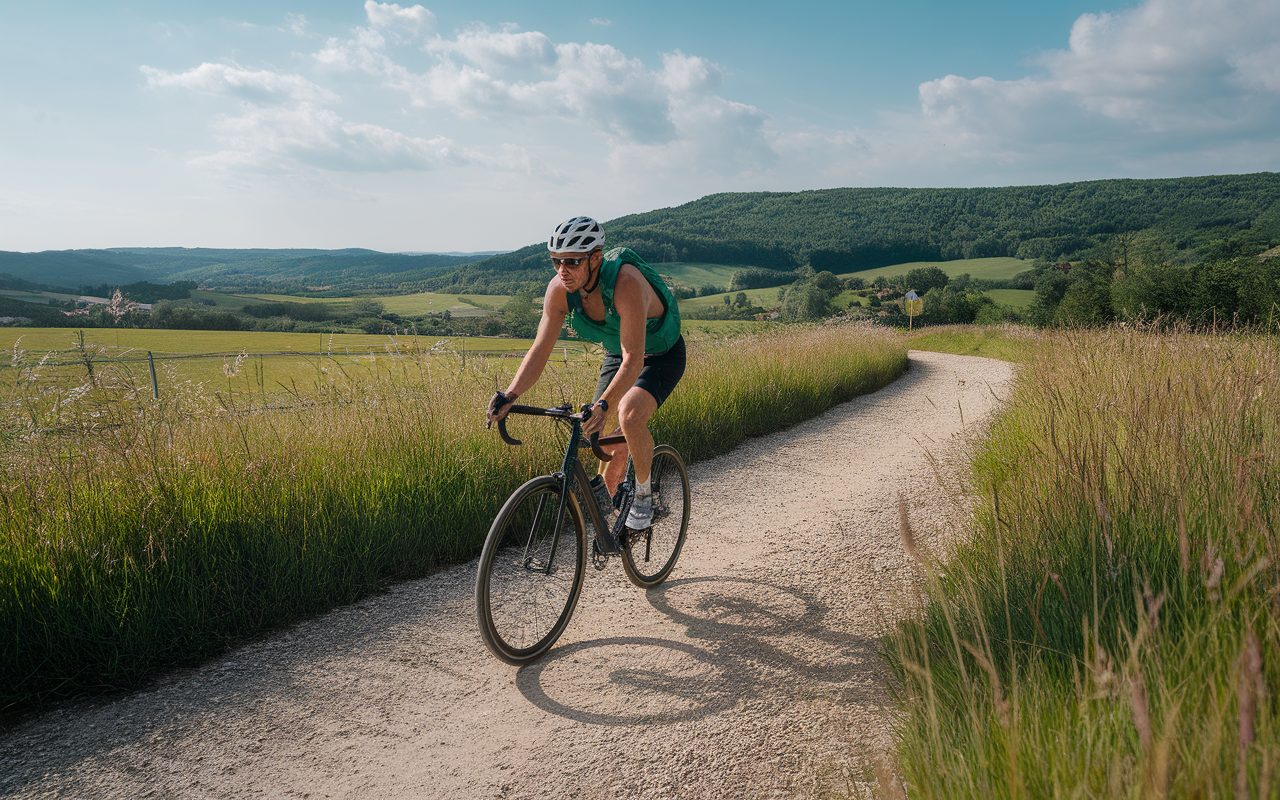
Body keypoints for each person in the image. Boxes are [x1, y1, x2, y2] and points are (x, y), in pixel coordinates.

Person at [486, 216, 685, 533]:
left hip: (660, 355)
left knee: (629, 416)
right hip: (618, 355)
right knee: (601, 437)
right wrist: (510, 395)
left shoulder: (626, 283)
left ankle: (645, 498)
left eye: (572, 262)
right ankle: (610, 520)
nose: (562, 271)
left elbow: (635, 359)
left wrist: (604, 404)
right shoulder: (560, 291)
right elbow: (540, 349)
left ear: (595, 258)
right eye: (556, 262)